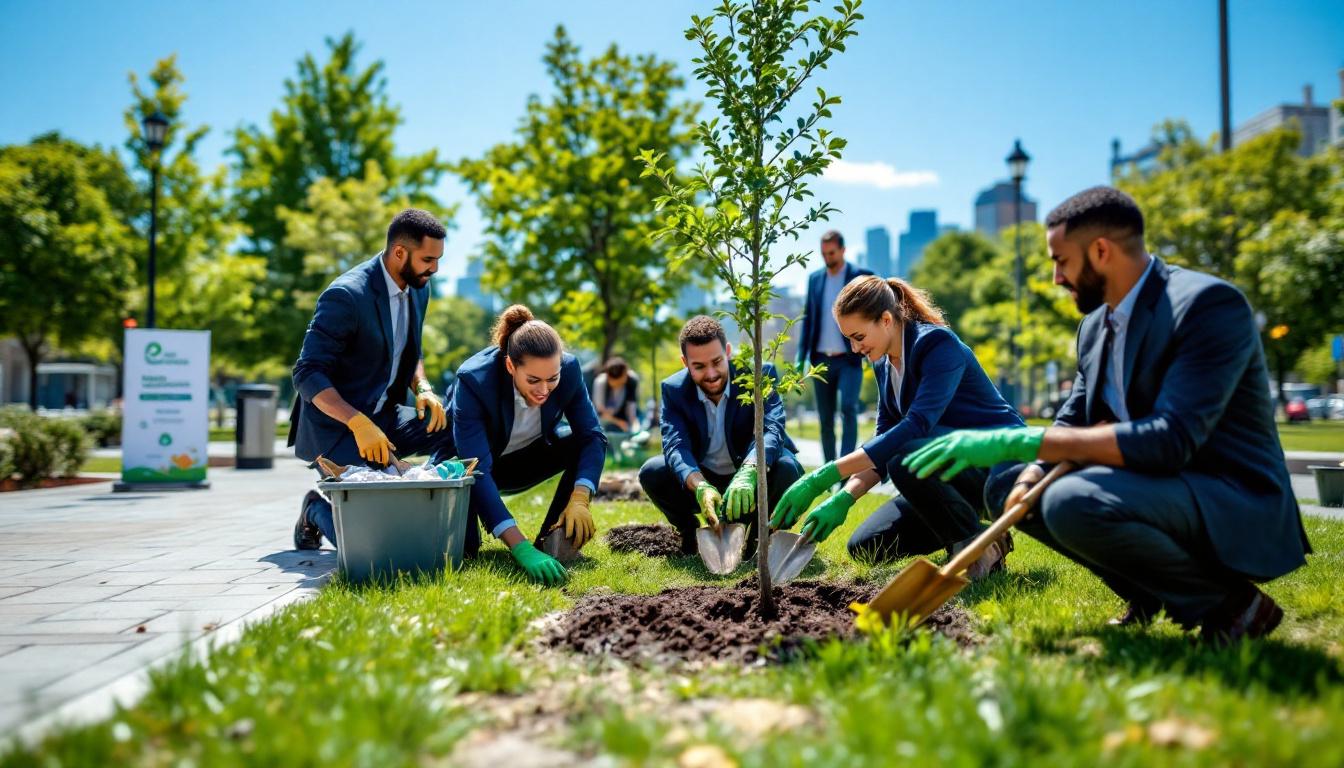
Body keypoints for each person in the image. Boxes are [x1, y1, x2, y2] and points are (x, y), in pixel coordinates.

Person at [903, 186, 1310, 643]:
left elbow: (1171, 440)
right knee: (1007, 484)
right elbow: (1074, 418)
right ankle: (1149, 592)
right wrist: (1031, 470)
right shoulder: (1095, 325)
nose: (1056, 277)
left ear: (1101, 251)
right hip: (1154, 484)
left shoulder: (1206, 305)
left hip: (1230, 495)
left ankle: (1233, 606)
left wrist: (1025, 441)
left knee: (1071, 500)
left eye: (1061, 261)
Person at [770, 277, 1023, 578]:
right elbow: (883, 441)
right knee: (866, 546)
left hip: (997, 468)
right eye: (848, 339)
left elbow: (915, 427)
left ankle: (979, 551)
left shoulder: (936, 344)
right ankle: (980, 533)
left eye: (859, 336)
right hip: (946, 473)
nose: (854, 349)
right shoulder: (883, 365)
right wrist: (844, 497)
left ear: (886, 320)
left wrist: (822, 477)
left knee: (902, 451)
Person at [289, 209, 455, 550]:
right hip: (337, 429)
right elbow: (306, 372)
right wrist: (357, 422)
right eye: (428, 259)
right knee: (374, 544)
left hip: (386, 416)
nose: (434, 269)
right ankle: (316, 510)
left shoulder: (419, 286)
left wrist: (421, 386)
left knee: (456, 426)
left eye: (438, 259)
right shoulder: (347, 296)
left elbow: (409, 351)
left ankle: (417, 491)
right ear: (399, 253)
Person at [451, 305, 607, 585]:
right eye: (533, 380)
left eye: (552, 379)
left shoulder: (570, 369)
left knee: (577, 441)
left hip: (525, 460)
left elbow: (593, 436)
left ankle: (552, 541)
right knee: (465, 551)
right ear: (511, 366)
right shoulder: (473, 380)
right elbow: (477, 468)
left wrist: (580, 496)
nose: (544, 390)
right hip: (471, 469)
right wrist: (518, 546)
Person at [639, 316, 803, 555]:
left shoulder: (758, 375)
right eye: (699, 366)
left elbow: (772, 429)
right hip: (705, 477)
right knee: (652, 472)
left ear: (728, 351)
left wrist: (750, 471)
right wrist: (700, 486)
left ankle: (759, 538)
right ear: (685, 362)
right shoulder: (673, 390)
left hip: (751, 475)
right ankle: (689, 532)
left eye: (717, 361)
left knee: (788, 467)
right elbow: (676, 446)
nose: (712, 373)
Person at [797, 230, 874, 462]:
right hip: (820, 359)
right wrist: (801, 357)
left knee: (848, 408)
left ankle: (845, 469)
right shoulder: (815, 279)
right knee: (825, 419)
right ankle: (829, 470)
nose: (827, 258)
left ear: (842, 250)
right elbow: (809, 318)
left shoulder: (860, 276)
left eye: (831, 252)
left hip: (849, 359)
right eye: (823, 253)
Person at [592, 357, 640, 432]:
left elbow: (631, 409)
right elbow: (601, 412)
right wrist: (619, 422)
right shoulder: (600, 382)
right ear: (607, 376)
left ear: (625, 373)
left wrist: (634, 426)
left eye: (620, 383)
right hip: (604, 421)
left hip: (624, 417)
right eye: (615, 384)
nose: (617, 386)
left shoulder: (632, 380)